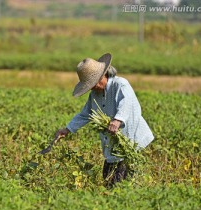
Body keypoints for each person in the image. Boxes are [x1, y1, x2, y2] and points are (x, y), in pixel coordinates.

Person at [56, 53, 154, 187]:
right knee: (108, 179)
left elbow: (127, 104)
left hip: (131, 141)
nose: (91, 88)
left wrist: (117, 120)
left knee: (122, 182)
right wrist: (67, 129)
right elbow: (85, 114)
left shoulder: (120, 85)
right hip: (113, 145)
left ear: (102, 76)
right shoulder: (95, 94)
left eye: (92, 83)